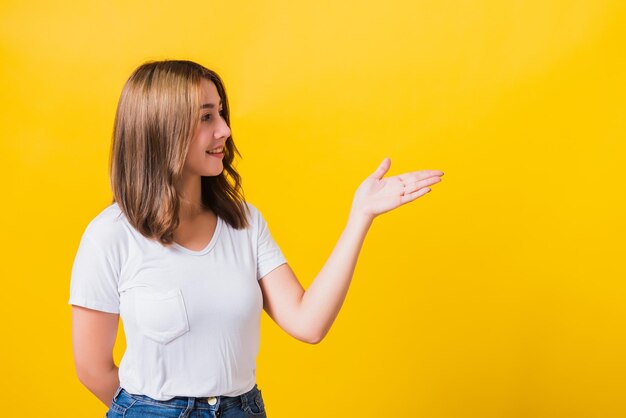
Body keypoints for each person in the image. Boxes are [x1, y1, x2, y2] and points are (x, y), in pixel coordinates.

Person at [69, 59, 444, 418]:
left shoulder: (244, 223)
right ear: (159, 128)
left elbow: (308, 323)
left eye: (220, 112)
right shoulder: (110, 236)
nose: (224, 130)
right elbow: (92, 368)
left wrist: (360, 216)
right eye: (205, 117)